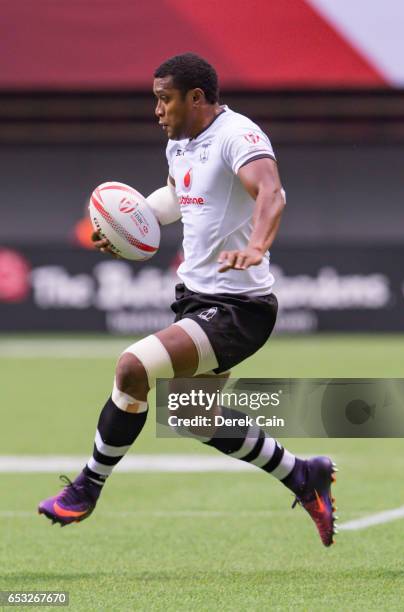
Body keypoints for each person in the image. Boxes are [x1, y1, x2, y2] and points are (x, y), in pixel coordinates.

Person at [38, 53, 337, 547]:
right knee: (194, 418)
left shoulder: (238, 136)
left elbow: (271, 193)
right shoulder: (180, 144)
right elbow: (180, 197)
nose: (157, 110)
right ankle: (303, 476)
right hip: (198, 299)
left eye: (164, 99)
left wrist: (257, 246)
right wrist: (130, 223)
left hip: (239, 309)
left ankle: (87, 486)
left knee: (132, 367)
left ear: (196, 98)